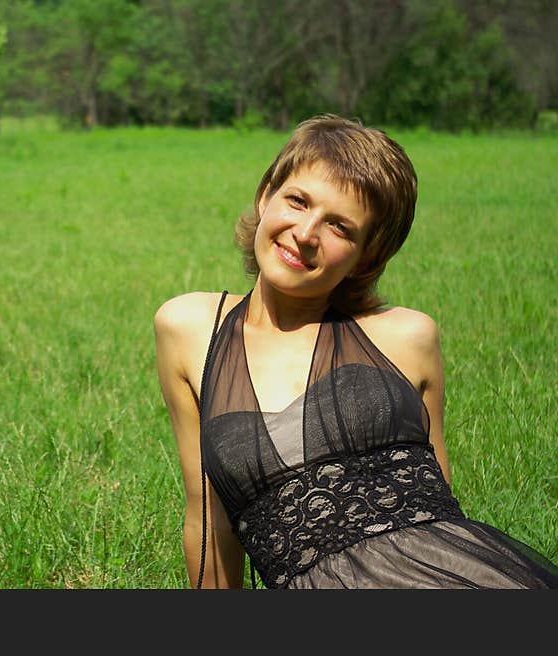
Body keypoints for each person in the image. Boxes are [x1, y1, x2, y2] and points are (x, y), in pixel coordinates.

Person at [154, 114, 558, 589]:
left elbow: (442, 510)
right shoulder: (190, 329)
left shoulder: (406, 337)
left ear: (366, 255)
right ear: (266, 197)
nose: (305, 233)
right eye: (297, 201)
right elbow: (208, 520)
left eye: (340, 227)